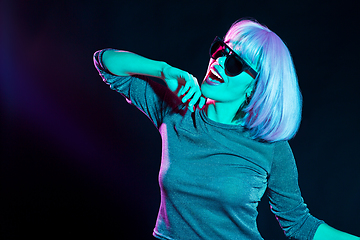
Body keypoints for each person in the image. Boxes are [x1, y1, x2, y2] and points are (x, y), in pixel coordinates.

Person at [93, 19, 359, 240]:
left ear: (255, 88)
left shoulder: (270, 146)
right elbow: (106, 63)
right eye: (221, 50)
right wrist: (163, 70)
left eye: (235, 64)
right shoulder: (175, 110)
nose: (218, 62)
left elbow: (299, 224)